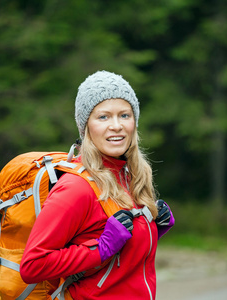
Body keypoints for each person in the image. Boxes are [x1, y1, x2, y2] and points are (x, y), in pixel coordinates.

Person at [20, 70, 175, 300]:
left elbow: (118, 266)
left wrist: (151, 230)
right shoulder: (76, 188)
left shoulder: (129, 176)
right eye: (103, 117)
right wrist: (100, 248)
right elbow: (33, 265)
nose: (116, 126)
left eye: (124, 115)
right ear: (86, 127)